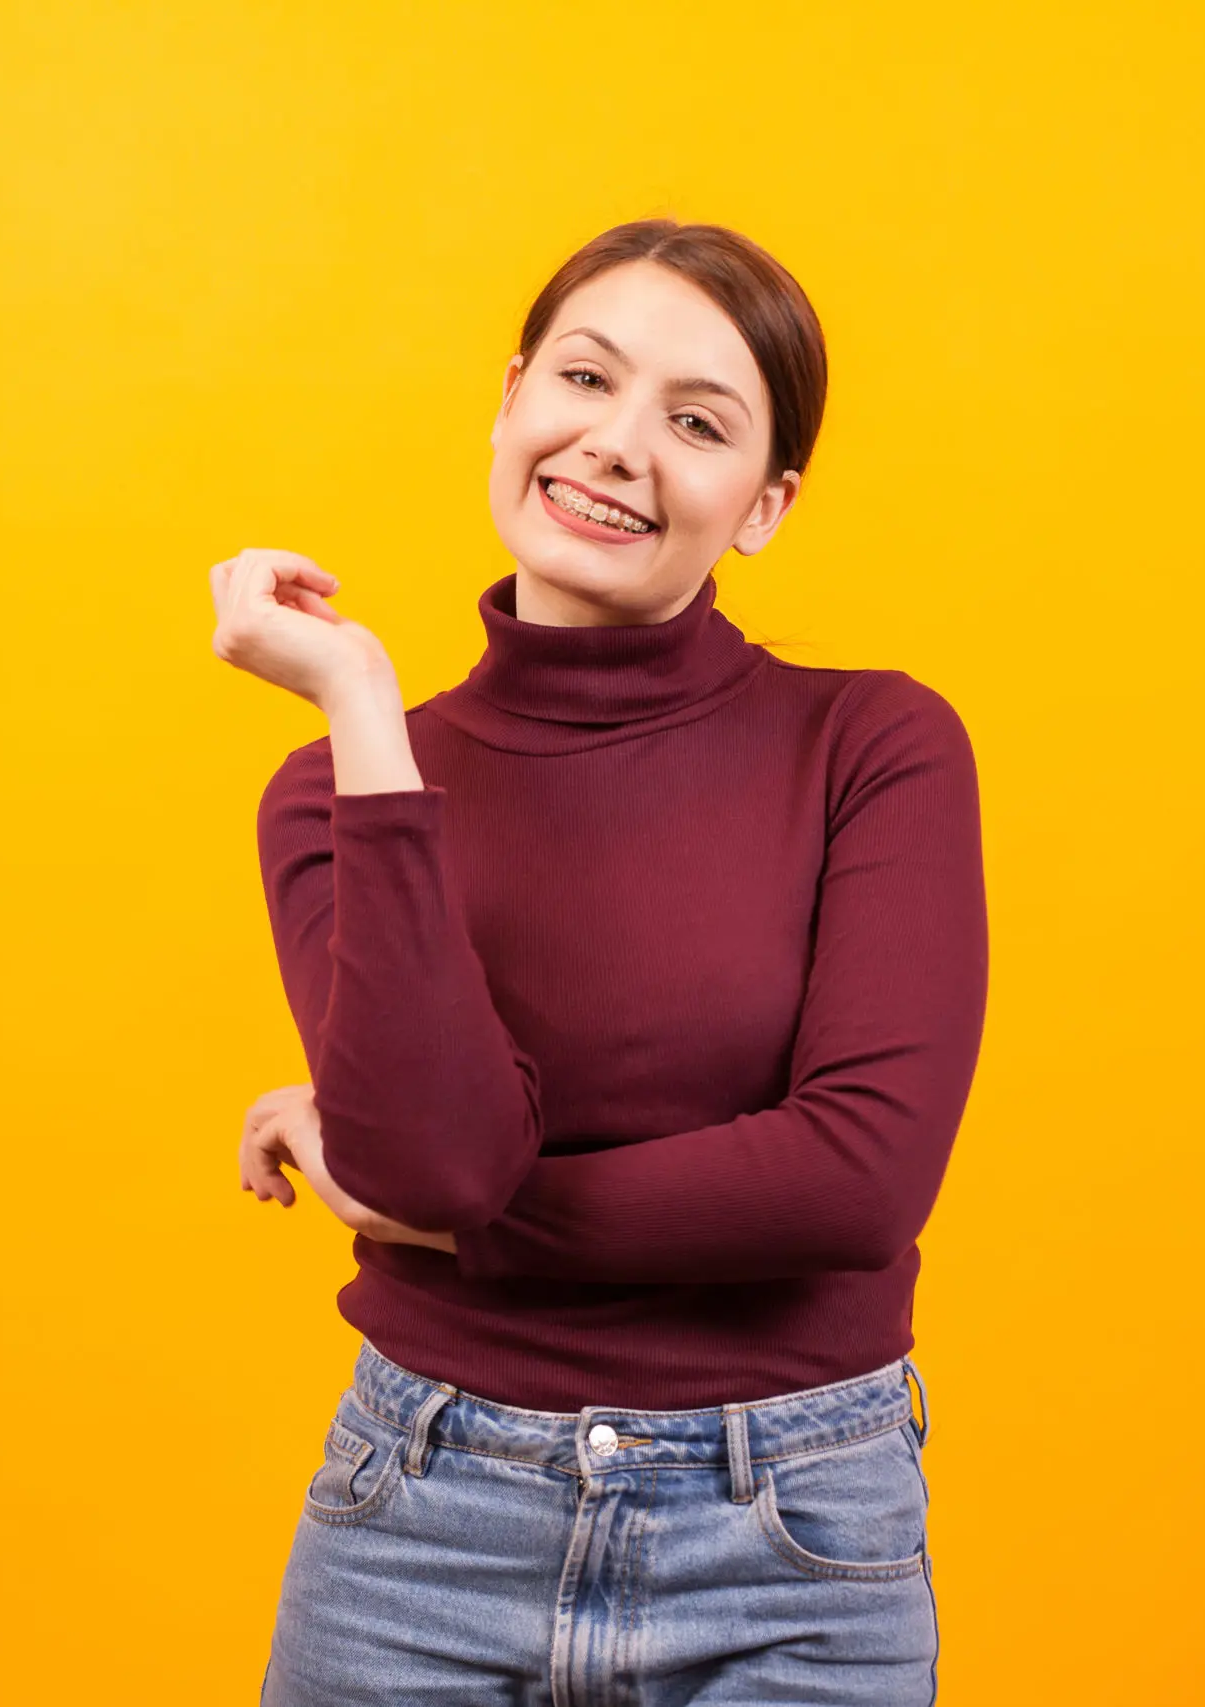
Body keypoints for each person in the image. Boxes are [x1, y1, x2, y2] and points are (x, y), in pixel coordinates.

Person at [206, 218, 989, 1704]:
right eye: (585, 378)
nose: (619, 444)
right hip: (421, 1529)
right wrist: (360, 703)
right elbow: (440, 1162)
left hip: (791, 1539)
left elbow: (859, 1177)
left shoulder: (872, 745)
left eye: (698, 423)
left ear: (764, 506)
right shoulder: (335, 791)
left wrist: (459, 1235)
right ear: (510, 399)